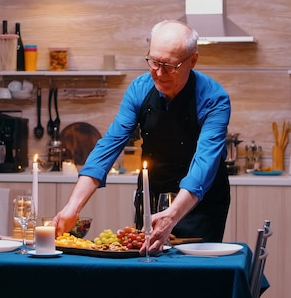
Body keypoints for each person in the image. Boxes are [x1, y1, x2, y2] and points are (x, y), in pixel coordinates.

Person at [53, 20, 231, 255]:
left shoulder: (214, 98)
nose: (159, 73)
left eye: (169, 66)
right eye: (154, 62)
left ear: (193, 60)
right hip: (151, 197)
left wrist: (173, 214)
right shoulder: (139, 89)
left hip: (198, 204)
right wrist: (72, 208)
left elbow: (205, 163)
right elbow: (108, 146)